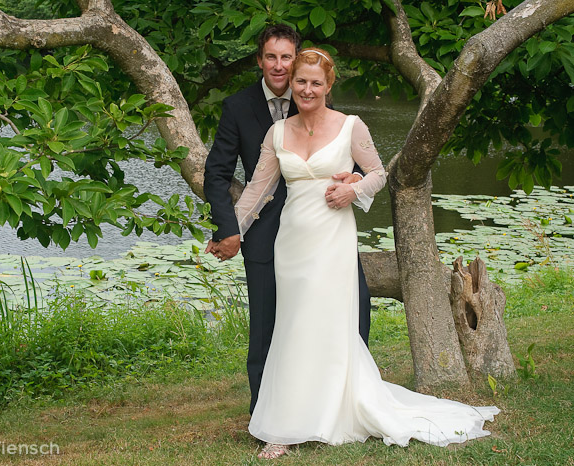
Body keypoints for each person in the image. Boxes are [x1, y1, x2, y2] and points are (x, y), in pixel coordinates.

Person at [234, 47, 500, 459]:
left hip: (332, 238)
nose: (307, 89)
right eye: (300, 81)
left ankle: (330, 411)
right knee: (292, 323)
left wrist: (352, 188)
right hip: (292, 242)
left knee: (325, 321)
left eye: (315, 83)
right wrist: (229, 232)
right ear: (292, 83)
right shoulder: (278, 133)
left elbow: (379, 173)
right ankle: (286, 422)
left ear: (329, 85)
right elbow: (257, 190)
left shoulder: (350, 126)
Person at [203, 24, 373, 417]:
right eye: (270, 57)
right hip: (265, 230)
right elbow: (217, 174)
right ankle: (265, 412)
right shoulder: (237, 106)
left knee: (353, 307)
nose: (279, 66)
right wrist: (229, 230)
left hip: (326, 228)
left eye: (286, 58)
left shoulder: (312, 93)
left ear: (298, 62)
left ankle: (346, 400)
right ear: (259, 60)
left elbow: (354, 157)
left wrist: (356, 181)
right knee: (266, 324)